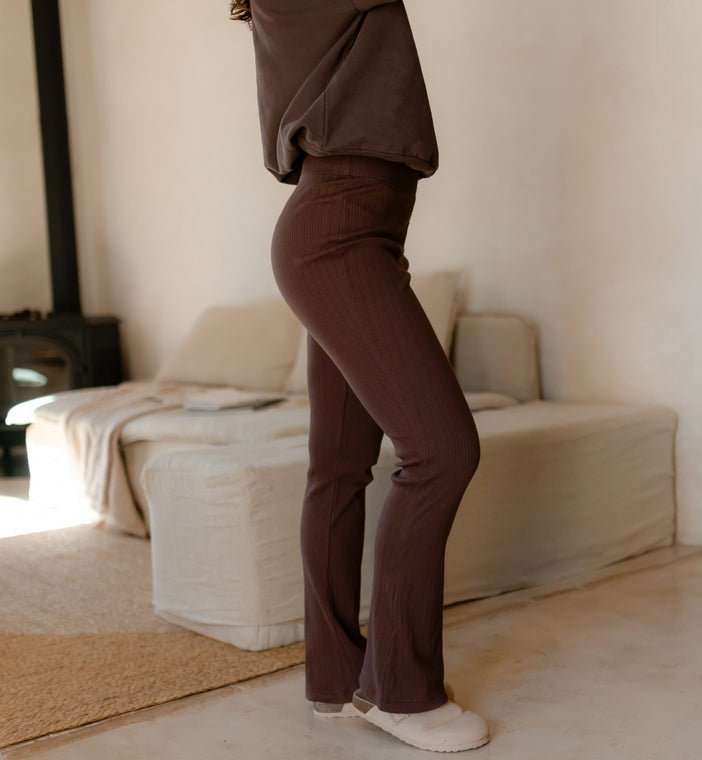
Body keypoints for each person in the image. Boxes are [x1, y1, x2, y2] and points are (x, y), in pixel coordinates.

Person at [231, 1, 490, 752]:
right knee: (443, 451)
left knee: (340, 466)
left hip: (353, 230)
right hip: (338, 229)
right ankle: (402, 692)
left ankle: (337, 680)